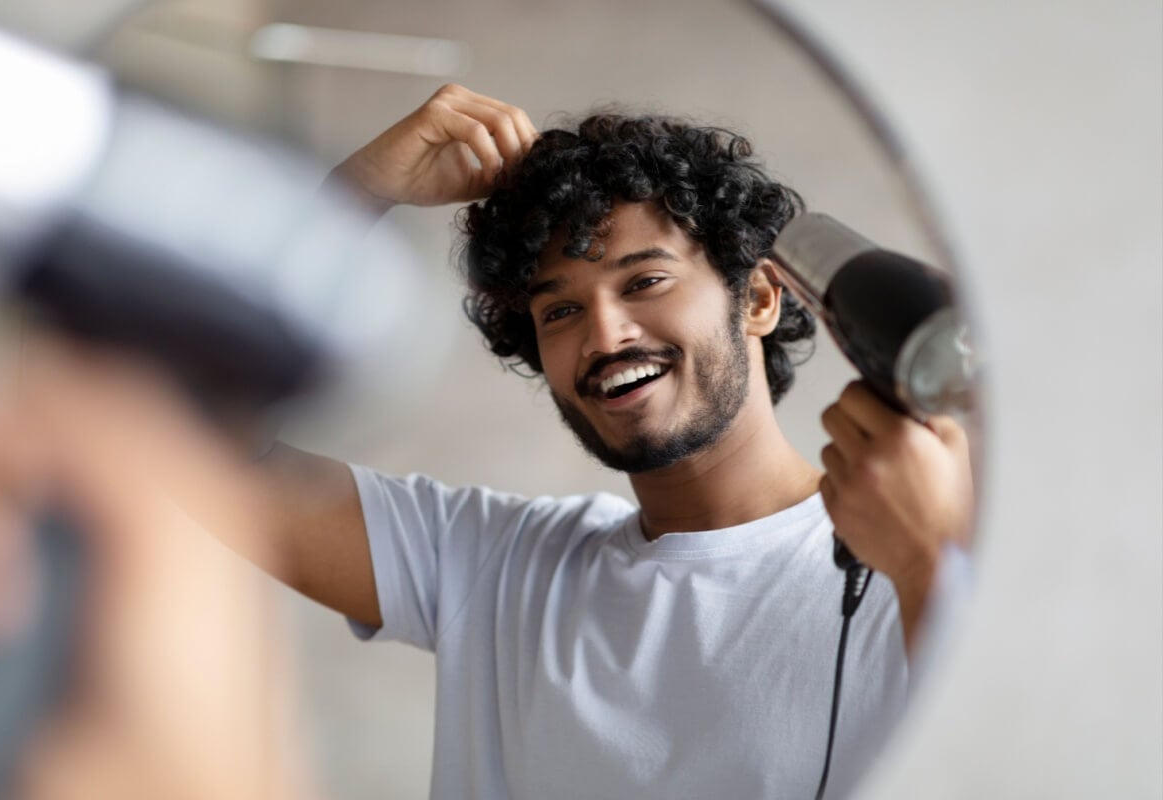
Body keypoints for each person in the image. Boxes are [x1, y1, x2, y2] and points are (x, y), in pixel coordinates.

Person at [252, 85, 974, 798]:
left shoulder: (912, 563)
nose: (604, 335)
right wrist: (346, 202)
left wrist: (929, 565)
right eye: (561, 309)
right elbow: (183, 440)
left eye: (646, 281)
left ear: (757, 297)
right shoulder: (489, 567)